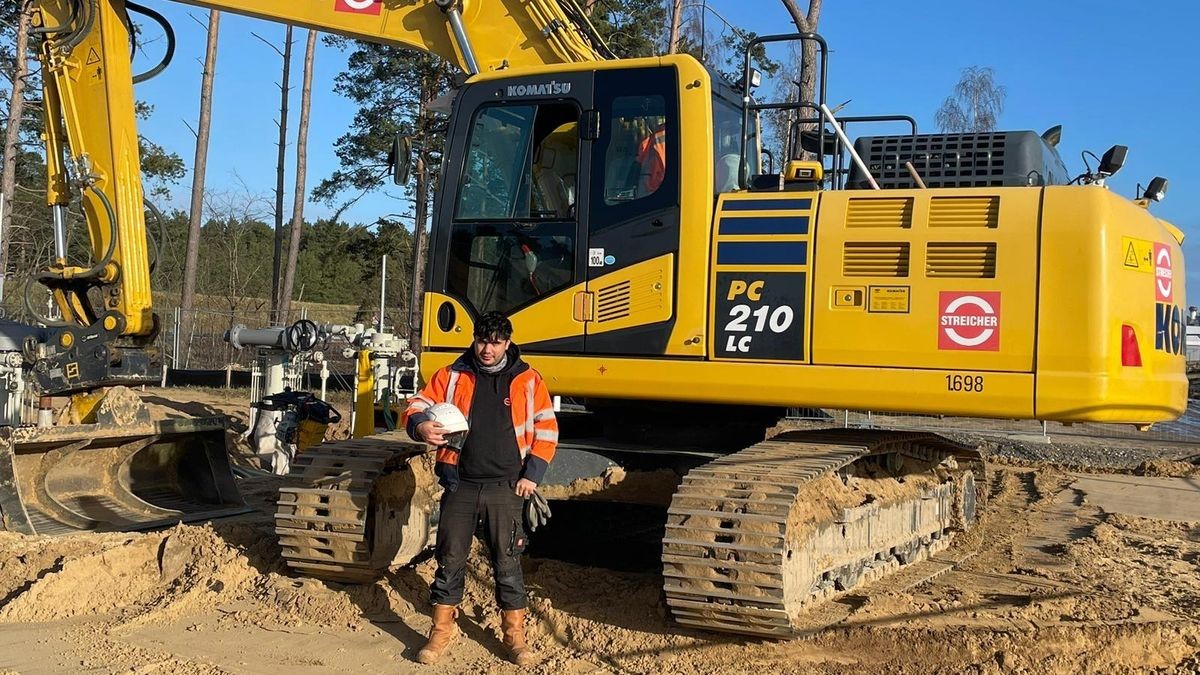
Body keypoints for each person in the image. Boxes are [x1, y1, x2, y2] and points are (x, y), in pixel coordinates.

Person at [402, 312, 558, 667]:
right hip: (462, 482)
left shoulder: (528, 380)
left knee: (507, 561)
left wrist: (531, 474)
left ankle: (514, 635)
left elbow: (546, 428)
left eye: (495, 343)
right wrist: (422, 425)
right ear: (475, 339)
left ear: (507, 342)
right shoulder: (452, 374)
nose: (487, 349)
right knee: (450, 558)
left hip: (506, 485)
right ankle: (440, 631)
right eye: (482, 341)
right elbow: (417, 404)